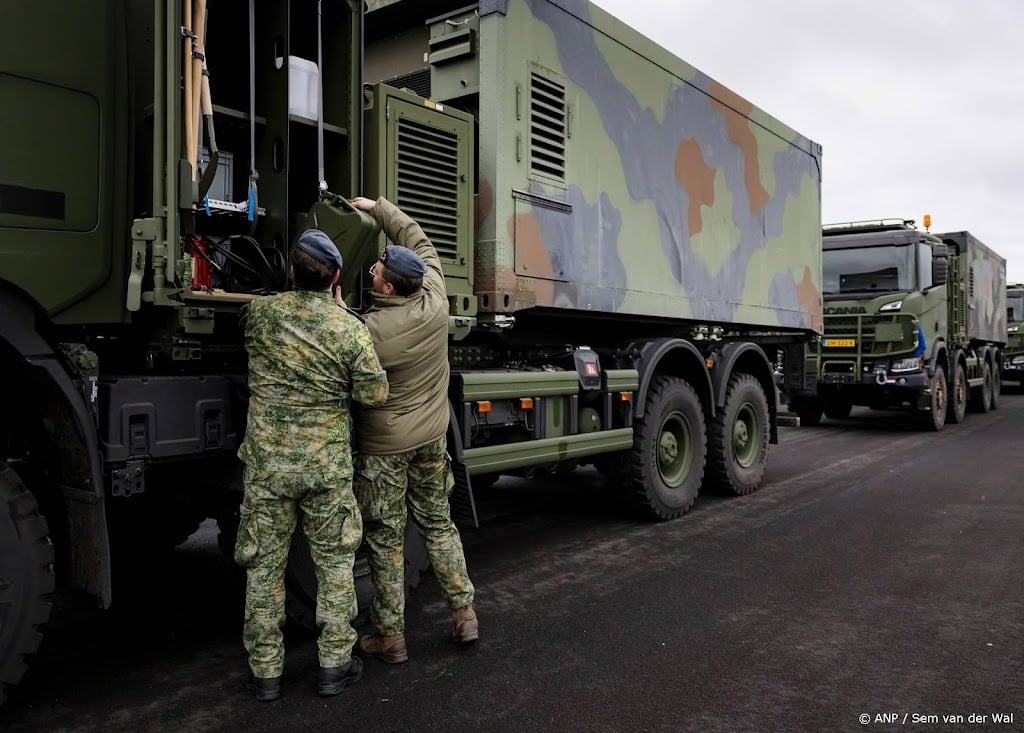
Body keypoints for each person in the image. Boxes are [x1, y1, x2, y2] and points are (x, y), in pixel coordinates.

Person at [235, 228, 389, 701]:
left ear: (290, 271)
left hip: (269, 468)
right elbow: (374, 394)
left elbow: (248, 317)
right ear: (336, 277)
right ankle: (333, 666)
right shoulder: (349, 328)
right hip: (326, 469)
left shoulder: (260, 316)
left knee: (262, 568)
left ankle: (265, 674)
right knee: (336, 565)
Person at [342, 195, 477, 664]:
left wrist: (339, 307)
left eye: (379, 270)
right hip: (431, 438)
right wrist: (381, 208)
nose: (374, 271)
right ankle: (464, 613)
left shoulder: (370, 329)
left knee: (384, 538)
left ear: (393, 289)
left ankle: (390, 637)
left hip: (384, 450)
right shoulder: (435, 299)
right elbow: (415, 236)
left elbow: (341, 343)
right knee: (439, 523)